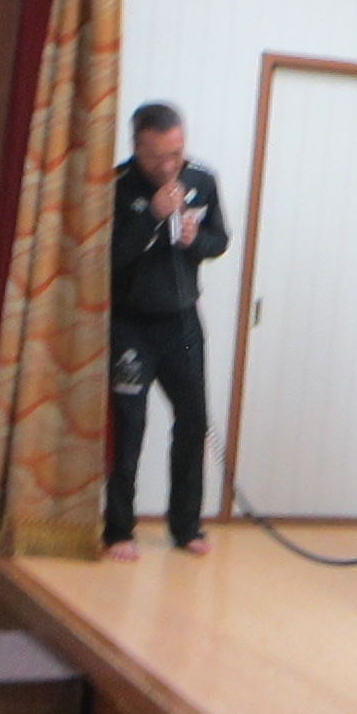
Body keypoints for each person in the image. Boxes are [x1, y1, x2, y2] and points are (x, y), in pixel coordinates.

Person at [105, 103, 229, 562]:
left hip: (182, 321)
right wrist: (151, 217)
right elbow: (109, 256)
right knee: (129, 425)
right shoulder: (117, 185)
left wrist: (197, 241)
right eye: (158, 156)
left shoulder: (202, 179)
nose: (168, 165)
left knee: (194, 420)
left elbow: (220, 239)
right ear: (137, 147)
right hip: (130, 323)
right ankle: (118, 530)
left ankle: (186, 526)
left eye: (176, 153)